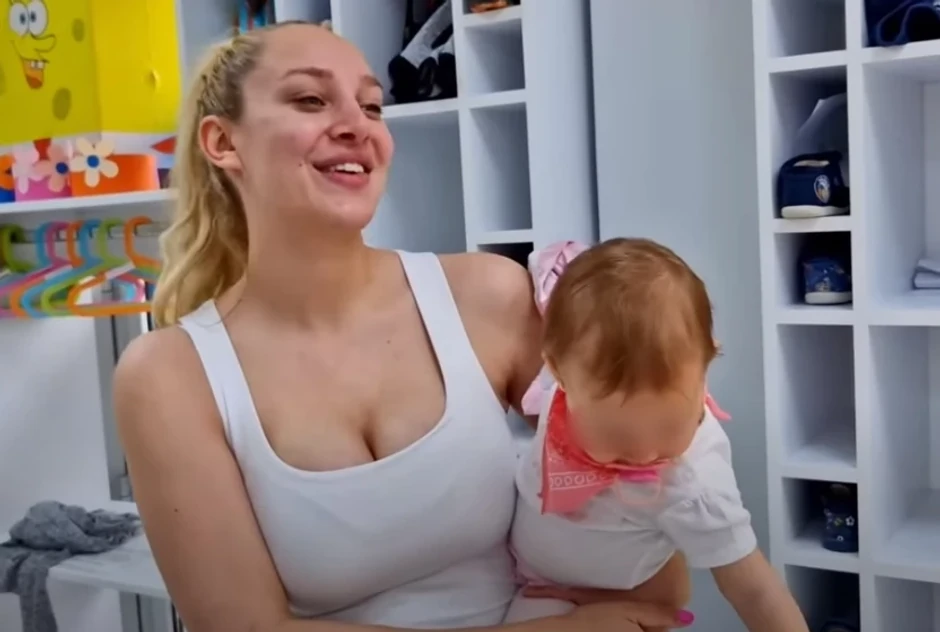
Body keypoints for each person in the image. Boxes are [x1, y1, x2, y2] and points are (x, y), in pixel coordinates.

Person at [112, 22, 692, 632]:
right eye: (310, 99)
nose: (356, 126)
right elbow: (246, 627)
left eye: (371, 106)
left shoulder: (487, 297)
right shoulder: (170, 377)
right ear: (223, 141)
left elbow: (647, 519)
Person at [504, 238, 808, 631]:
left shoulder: (693, 483)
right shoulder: (563, 379)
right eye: (615, 432)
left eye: (669, 425)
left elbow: (754, 590)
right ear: (558, 373)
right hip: (517, 571)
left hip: (584, 603)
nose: (645, 454)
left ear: (707, 365)